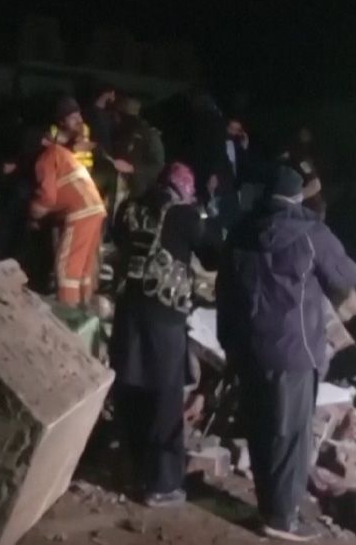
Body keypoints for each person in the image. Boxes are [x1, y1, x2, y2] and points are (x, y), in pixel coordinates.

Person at [217, 166, 356, 542]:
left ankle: (269, 507)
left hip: (249, 348)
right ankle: (282, 519)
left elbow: (223, 291)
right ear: (298, 196)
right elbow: (346, 276)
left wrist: (229, 344)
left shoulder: (240, 232)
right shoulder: (311, 234)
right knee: (290, 436)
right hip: (295, 350)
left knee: (261, 428)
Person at [109, 162, 219, 507]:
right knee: (164, 402)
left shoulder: (129, 209)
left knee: (130, 393)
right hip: (164, 321)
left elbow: (119, 240)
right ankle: (162, 484)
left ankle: (132, 472)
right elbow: (213, 255)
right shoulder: (185, 216)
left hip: (127, 315)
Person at [32, 96, 108, 306]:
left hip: (80, 212)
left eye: (79, 115)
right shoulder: (65, 152)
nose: (79, 120)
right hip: (94, 208)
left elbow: (47, 197)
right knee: (84, 268)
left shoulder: (49, 156)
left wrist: (34, 212)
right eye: (73, 116)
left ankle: (67, 314)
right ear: (60, 122)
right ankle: (84, 308)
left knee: (66, 268)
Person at [113, 95, 166, 203]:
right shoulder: (121, 133)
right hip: (118, 187)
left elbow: (158, 165)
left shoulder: (149, 135)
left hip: (138, 193)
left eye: (120, 115)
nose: (116, 118)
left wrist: (132, 168)